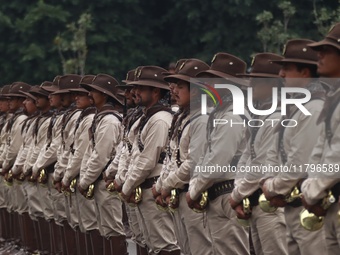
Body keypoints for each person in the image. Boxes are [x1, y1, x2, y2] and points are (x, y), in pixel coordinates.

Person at [261, 39, 326, 255]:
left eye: (287, 68)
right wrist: (269, 182)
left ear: (305, 72)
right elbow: (277, 152)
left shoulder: (314, 108)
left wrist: (272, 187)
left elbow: (299, 163)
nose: (281, 74)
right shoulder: (298, 108)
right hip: (292, 205)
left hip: (312, 209)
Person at [186, 52, 250, 255]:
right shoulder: (222, 112)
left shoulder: (233, 115)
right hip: (218, 192)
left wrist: (194, 189)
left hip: (228, 192)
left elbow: (218, 160)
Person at [229, 53, 288, 255]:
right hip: (255, 201)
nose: (250, 85)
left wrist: (237, 195)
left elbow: (261, 164)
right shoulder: (263, 115)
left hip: (272, 205)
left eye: (255, 80)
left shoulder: (278, 117)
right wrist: (238, 190)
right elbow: (247, 156)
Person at [120, 66, 181, 255]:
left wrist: (127, 186)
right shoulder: (146, 117)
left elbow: (147, 160)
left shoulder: (160, 119)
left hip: (153, 184)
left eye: (141, 88)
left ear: (155, 91)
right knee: (150, 243)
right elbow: (131, 153)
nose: (134, 92)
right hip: (143, 185)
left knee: (164, 245)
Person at [158, 59, 214, 255]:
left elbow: (193, 162)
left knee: (201, 250)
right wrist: (162, 185)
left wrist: (167, 184)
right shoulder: (184, 117)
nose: (173, 91)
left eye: (181, 86)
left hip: (194, 194)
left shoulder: (202, 117)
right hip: (179, 193)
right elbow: (173, 156)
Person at [301, 23, 340, 255]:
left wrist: (312, 190)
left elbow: (336, 155)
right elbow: (321, 151)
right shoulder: (333, 98)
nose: (319, 55)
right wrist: (310, 188)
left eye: (327, 51)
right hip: (329, 201)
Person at [78, 73, 127, 255]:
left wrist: (85, 181)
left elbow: (101, 156)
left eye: (94, 91)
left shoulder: (109, 120)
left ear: (105, 95)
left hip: (105, 179)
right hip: (98, 179)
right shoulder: (101, 118)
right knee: (104, 228)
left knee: (112, 228)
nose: (90, 94)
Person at [61, 74, 98, 255]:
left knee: (93, 225)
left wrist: (67, 175)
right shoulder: (83, 116)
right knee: (78, 222)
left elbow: (82, 152)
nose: (76, 98)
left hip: (88, 177)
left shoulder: (90, 118)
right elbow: (69, 149)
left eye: (80, 94)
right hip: (79, 175)